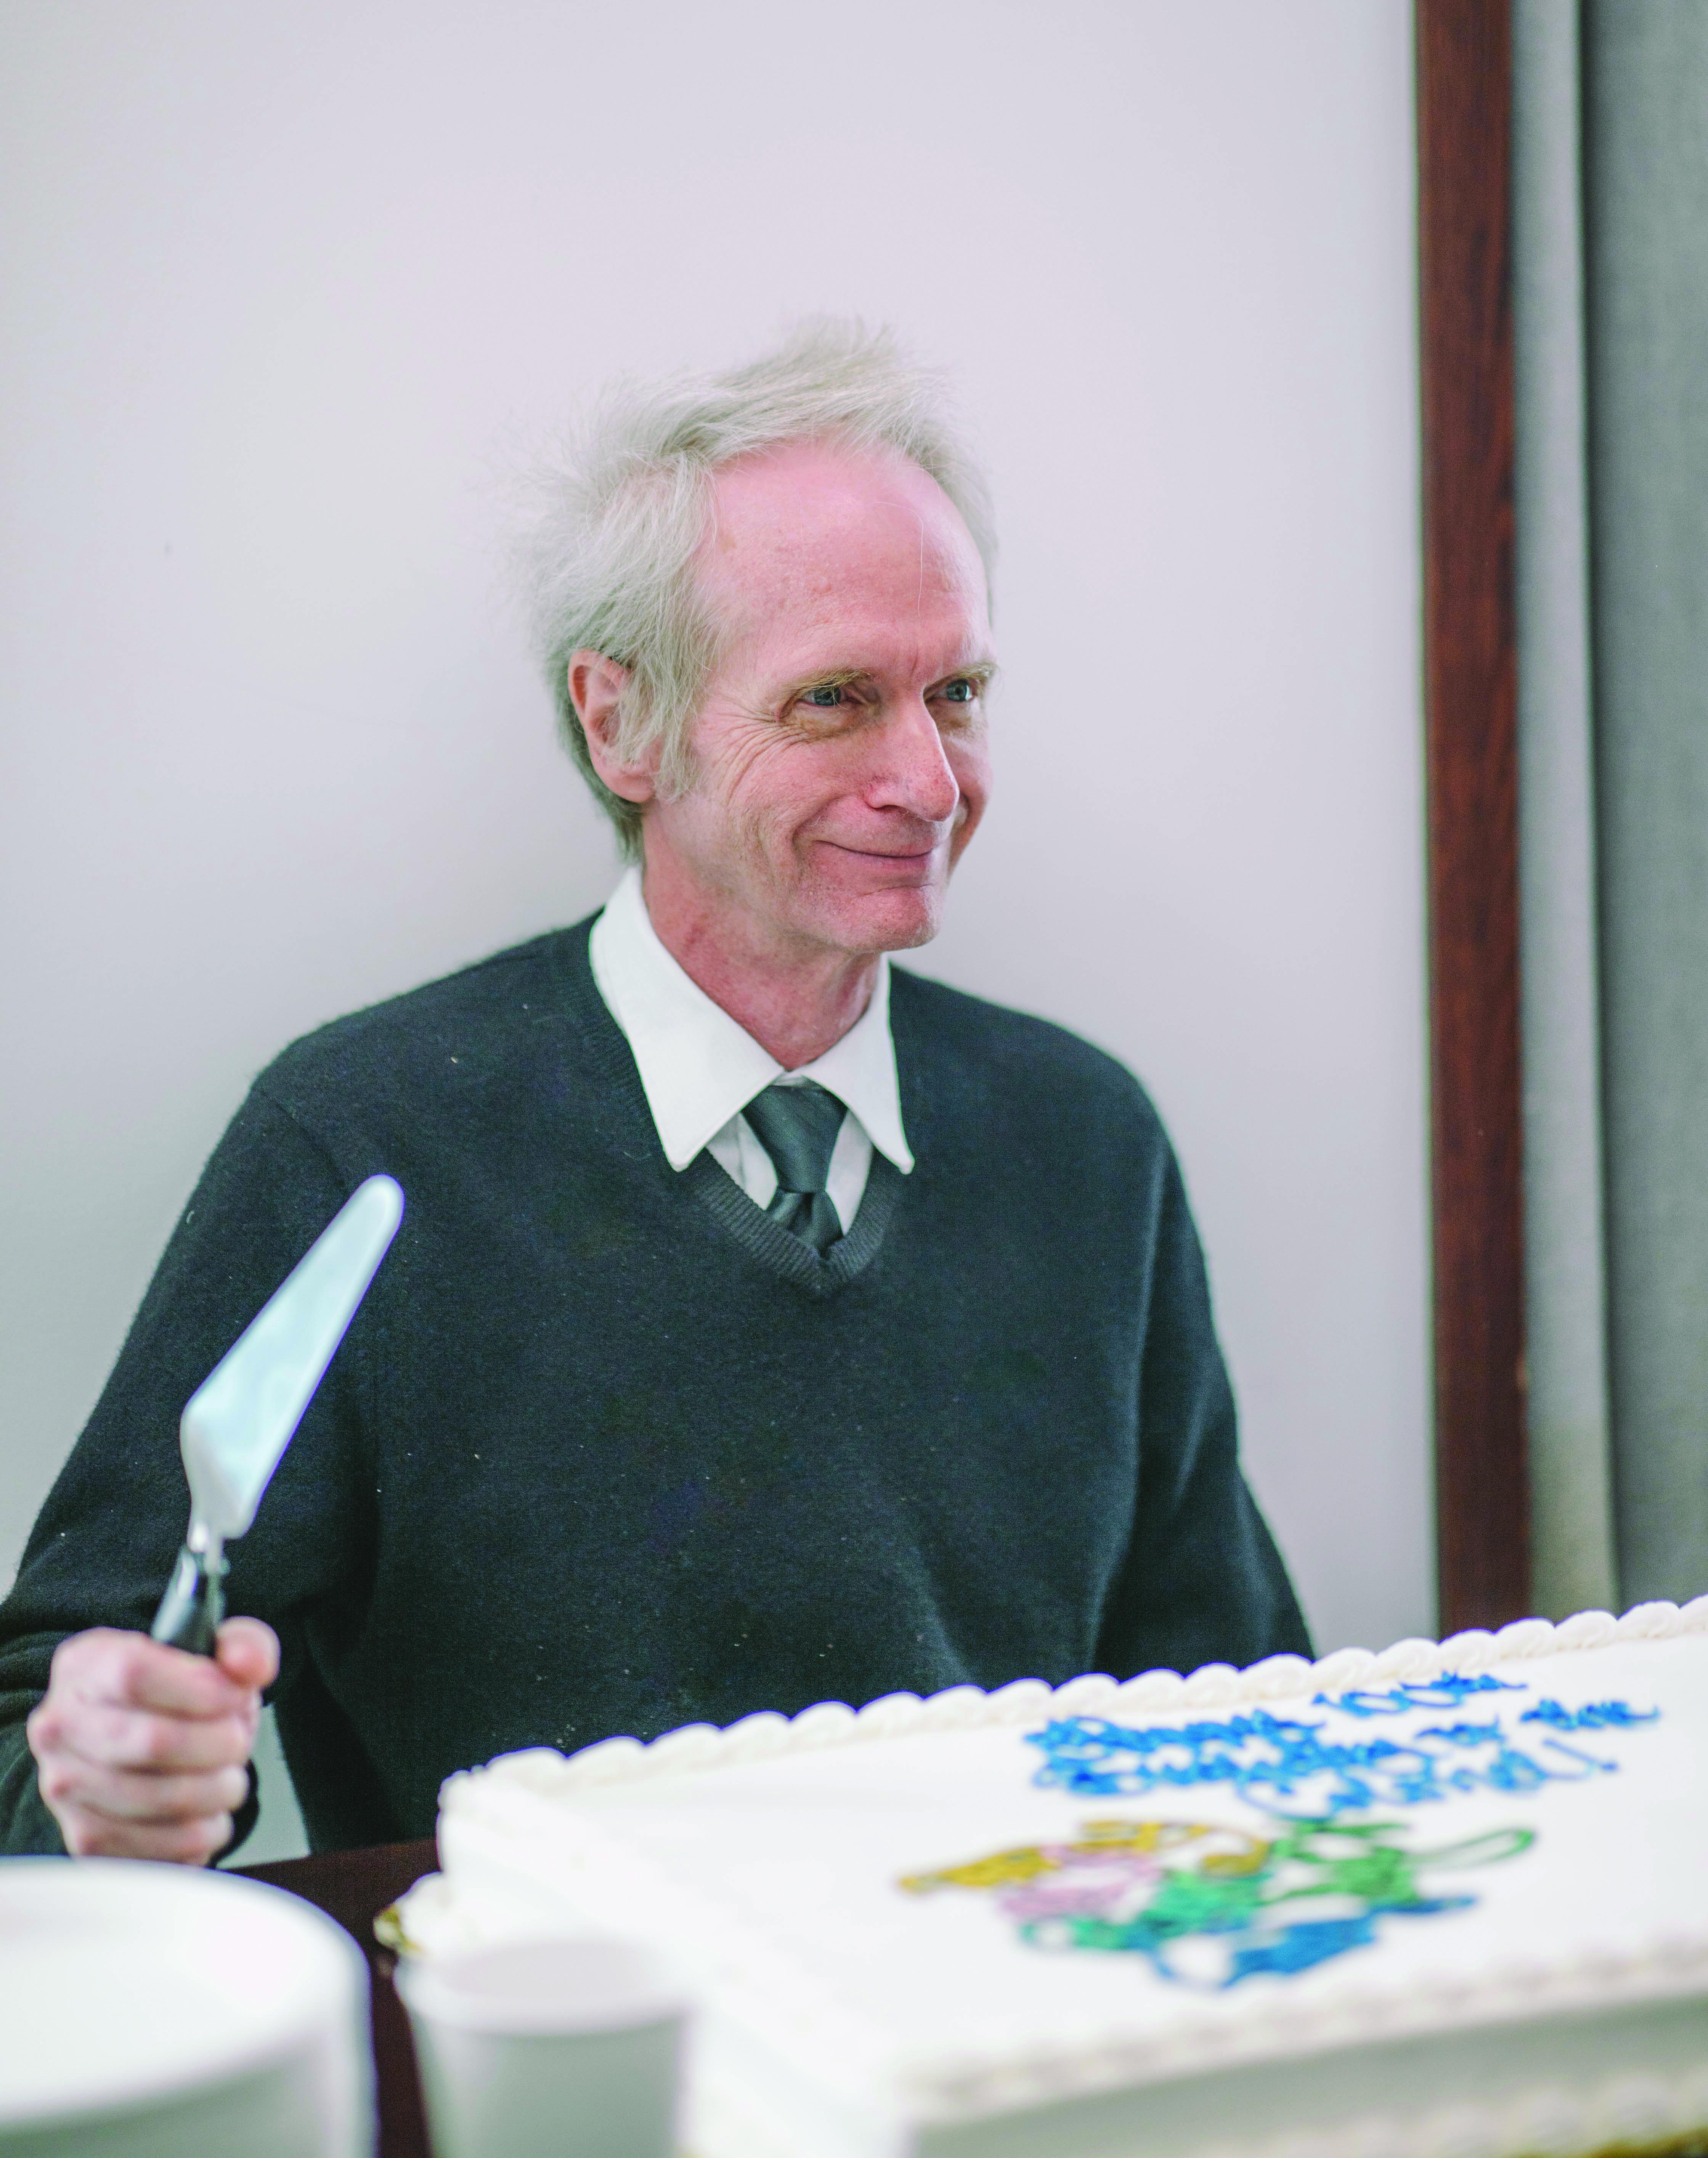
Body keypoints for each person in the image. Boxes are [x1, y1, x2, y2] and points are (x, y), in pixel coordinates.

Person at [1, 324, 1310, 1866]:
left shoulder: (1085, 1141)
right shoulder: (364, 1145)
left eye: (954, 689)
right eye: (833, 699)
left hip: (1010, 2050)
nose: (930, 780)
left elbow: (1235, 1716)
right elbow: (42, 1729)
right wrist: (108, 1784)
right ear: (621, 722)